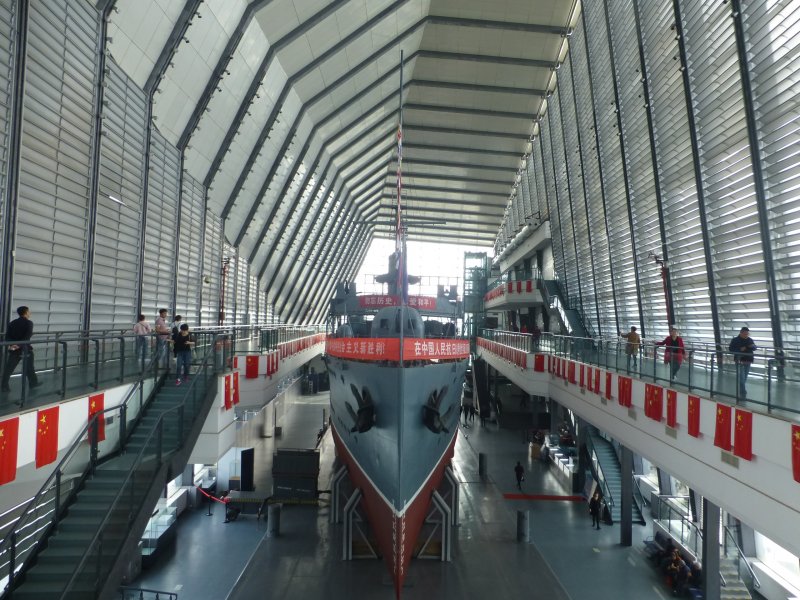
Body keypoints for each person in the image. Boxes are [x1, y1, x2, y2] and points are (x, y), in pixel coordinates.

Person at [1, 306, 39, 392]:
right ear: (25, 313)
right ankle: (33, 384)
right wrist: (19, 345)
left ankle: (4, 386)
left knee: (9, 368)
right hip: (25, 348)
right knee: (29, 367)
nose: (30, 313)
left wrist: (13, 345)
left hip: (14, 349)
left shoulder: (12, 323)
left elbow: (7, 336)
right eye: (29, 311)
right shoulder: (29, 323)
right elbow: (27, 336)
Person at [729, 327, 756, 399]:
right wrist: (739, 349)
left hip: (748, 360)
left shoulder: (749, 340)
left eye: (747, 334)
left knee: (745, 376)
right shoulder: (735, 340)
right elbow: (731, 349)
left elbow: (755, 348)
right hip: (739, 360)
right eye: (745, 334)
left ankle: (742, 390)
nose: (746, 335)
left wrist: (751, 347)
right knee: (742, 377)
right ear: (741, 333)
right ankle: (743, 391)